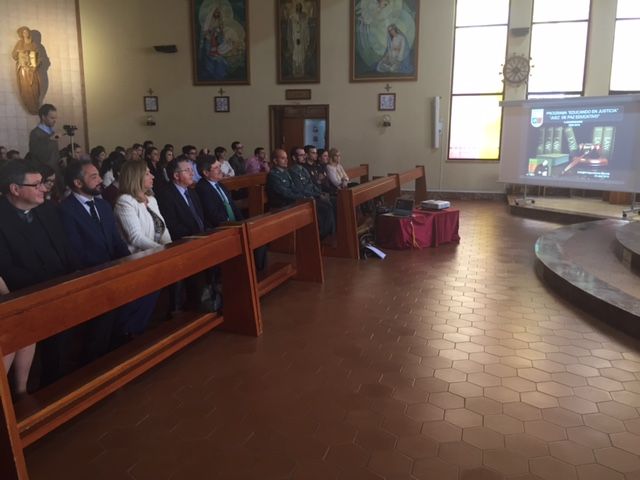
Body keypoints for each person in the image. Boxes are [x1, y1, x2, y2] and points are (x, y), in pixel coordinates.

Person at [0, 160, 80, 387]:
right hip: (25, 293)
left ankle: (56, 384)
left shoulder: (47, 209)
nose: (44, 189)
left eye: (42, 183)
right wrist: (46, 287)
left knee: (60, 345)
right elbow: (5, 268)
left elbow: (64, 246)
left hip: (59, 285)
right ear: (15, 189)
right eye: (36, 185)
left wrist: (74, 275)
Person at [59, 160, 132, 362]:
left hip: (113, 270)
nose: (100, 180)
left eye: (99, 175)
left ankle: (117, 353)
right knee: (99, 330)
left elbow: (116, 240)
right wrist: (105, 270)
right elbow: (75, 250)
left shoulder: (103, 204)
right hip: (91, 275)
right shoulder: (66, 210)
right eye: (93, 177)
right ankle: (96, 362)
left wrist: (130, 262)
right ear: (78, 183)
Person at [267, 149, 335, 239]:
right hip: (283, 204)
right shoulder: (273, 175)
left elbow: (295, 188)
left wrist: (306, 196)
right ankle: (319, 236)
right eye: (283, 158)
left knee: (326, 205)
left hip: (293, 201)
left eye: (286, 158)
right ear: (275, 161)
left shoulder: (285, 172)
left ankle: (327, 234)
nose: (286, 160)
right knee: (323, 207)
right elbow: (285, 193)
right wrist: (303, 197)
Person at [114, 160, 171, 254]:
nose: (153, 176)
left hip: (157, 253)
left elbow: (163, 229)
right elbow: (135, 237)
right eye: (147, 174)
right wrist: (162, 249)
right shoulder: (125, 200)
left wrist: (170, 246)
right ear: (136, 177)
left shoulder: (151, 199)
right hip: (138, 257)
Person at [28, 103, 62, 194]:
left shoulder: (52, 132)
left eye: (55, 118)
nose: (55, 120)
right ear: (43, 117)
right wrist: (50, 139)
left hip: (55, 172)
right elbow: (36, 153)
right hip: (44, 175)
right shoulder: (35, 133)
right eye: (52, 118)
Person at [12, 26, 42, 115]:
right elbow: (14, 55)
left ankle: (35, 104)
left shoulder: (34, 45)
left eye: (27, 32)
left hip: (33, 69)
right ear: (22, 34)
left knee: (35, 87)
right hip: (23, 69)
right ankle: (29, 105)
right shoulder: (19, 43)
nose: (26, 33)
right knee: (26, 87)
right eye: (24, 32)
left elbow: (40, 58)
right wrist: (19, 52)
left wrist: (36, 65)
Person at [288, 2, 310, 77]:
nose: (298, 8)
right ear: (295, 8)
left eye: (299, 6)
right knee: (295, 56)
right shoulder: (292, 17)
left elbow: (306, 30)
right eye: (297, 6)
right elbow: (290, 32)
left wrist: (306, 40)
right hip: (295, 40)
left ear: (301, 7)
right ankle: (295, 72)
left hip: (302, 39)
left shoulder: (305, 16)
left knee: (302, 56)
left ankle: (302, 72)